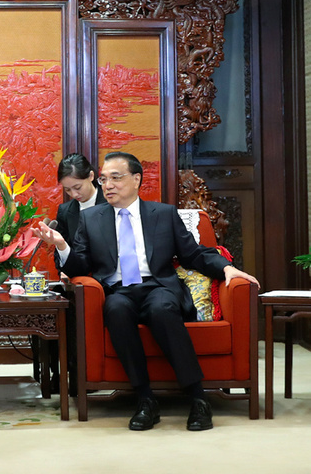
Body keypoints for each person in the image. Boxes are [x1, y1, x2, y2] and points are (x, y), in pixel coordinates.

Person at [33, 151, 259, 431]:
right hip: (118, 289)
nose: (108, 185)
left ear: (136, 179)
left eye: (116, 177)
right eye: (104, 179)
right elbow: (81, 264)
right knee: (115, 310)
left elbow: (193, 254)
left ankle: (198, 398)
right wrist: (61, 245)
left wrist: (226, 269)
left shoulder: (162, 214)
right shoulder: (91, 219)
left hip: (158, 286)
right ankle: (145, 399)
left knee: (162, 309)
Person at [41, 153, 106, 394]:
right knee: (62, 305)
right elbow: (63, 253)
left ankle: (85, 376)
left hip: (104, 275)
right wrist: (60, 252)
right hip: (77, 276)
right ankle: (69, 373)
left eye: (77, 187)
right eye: (68, 190)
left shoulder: (111, 201)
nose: (74, 195)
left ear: (91, 176)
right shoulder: (66, 210)